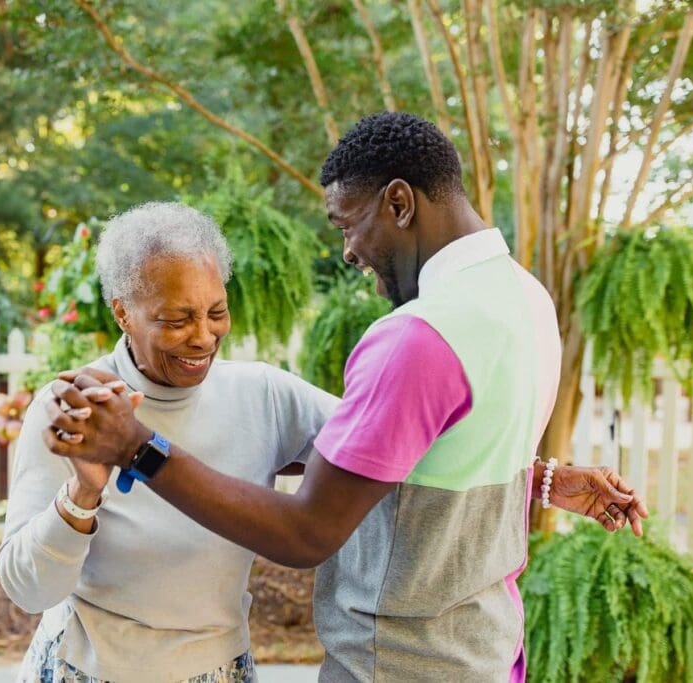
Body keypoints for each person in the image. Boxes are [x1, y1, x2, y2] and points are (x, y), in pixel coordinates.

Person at [43, 112, 649, 682]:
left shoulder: (416, 338)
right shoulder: (525, 300)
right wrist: (543, 478)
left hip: (397, 664)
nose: (349, 251)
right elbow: (435, 450)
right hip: (483, 652)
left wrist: (138, 447)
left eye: (347, 223)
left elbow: (307, 532)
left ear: (400, 203)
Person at [0, 202, 340, 683]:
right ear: (122, 313)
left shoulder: (264, 395)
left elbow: (370, 447)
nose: (203, 337)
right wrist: (82, 496)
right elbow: (26, 590)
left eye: (216, 312)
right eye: (176, 320)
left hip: (218, 668)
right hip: (86, 668)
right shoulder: (79, 409)